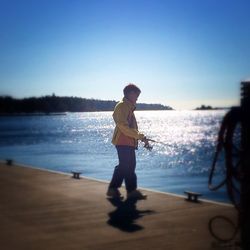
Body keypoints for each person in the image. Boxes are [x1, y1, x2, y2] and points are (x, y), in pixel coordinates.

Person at [106, 83, 149, 200]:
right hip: (122, 142)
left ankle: (129, 191)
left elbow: (131, 128)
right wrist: (139, 136)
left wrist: (141, 138)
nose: (137, 97)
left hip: (129, 142)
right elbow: (123, 126)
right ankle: (116, 189)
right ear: (130, 93)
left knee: (129, 166)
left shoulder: (129, 107)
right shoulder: (122, 106)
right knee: (125, 166)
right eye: (136, 95)